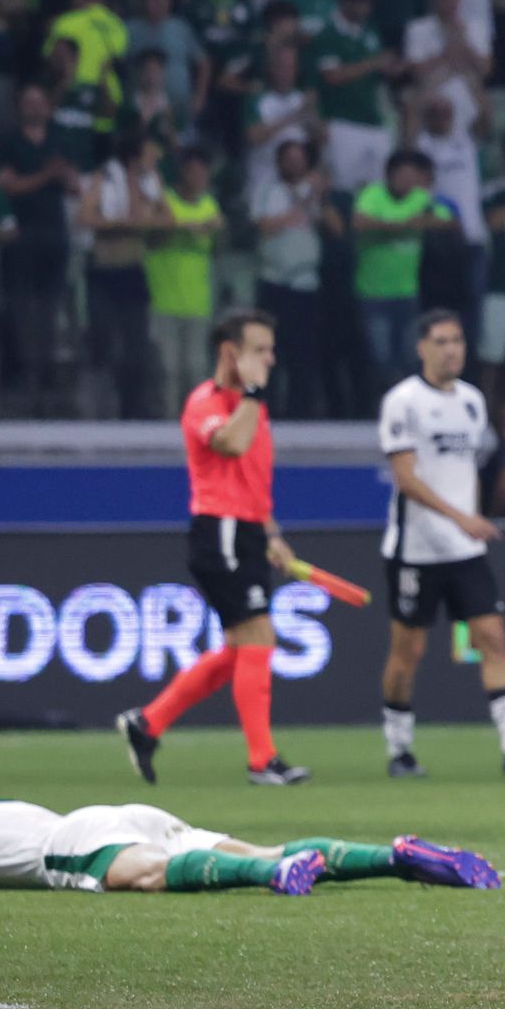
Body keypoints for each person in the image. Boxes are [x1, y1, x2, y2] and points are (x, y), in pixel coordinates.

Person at [116, 308, 311, 786]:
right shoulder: (205, 403)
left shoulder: (251, 404)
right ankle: (262, 760)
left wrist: (271, 535)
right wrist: (253, 393)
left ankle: (148, 722)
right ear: (231, 353)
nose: (270, 358)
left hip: (245, 531)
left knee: (241, 649)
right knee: (258, 638)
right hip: (218, 531)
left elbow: (252, 479)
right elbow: (230, 445)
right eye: (260, 350)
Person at [0, 790, 500, 897]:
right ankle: (393, 855)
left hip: (70, 839)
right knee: (264, 842)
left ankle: (272, 875)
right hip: (122, 809)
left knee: (145, 876)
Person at [376, 308, 505, 778]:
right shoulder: (403, 402)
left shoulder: (472, 401)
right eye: (441, 341)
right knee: (408, 653)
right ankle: (399, 748)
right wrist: (464, 517)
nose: (451, 350)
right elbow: (406, 478)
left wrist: (472, 517)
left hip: (465, 550)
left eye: (458, 340)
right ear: (422, 348)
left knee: (492, 638)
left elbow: (467, 472)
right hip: (415, 551)